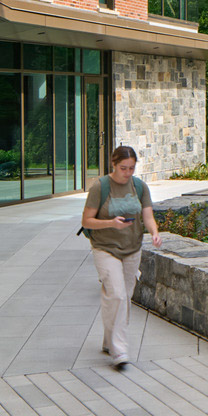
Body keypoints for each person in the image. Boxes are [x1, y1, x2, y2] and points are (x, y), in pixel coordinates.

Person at [81, 144, 161, 369]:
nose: (127, 173)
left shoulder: (139, 186)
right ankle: (119, 351)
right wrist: (110, 223)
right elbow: (86, 221)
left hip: (132, 248)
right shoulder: (100, 187)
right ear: (113, 165)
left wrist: (154, 232)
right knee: (116, 295)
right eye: (123, 168)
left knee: (123, 297)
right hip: (105, 247)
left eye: (131, 168)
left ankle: (109, 341)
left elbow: (147, 215)